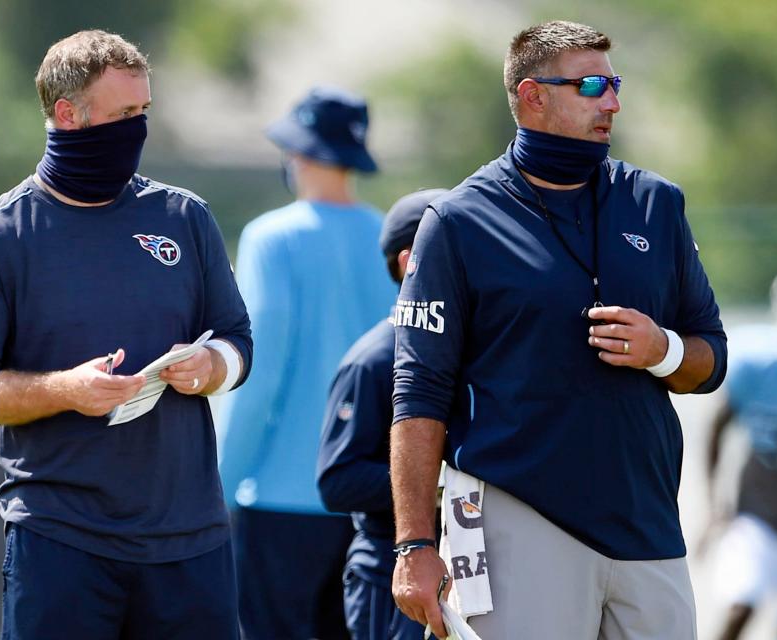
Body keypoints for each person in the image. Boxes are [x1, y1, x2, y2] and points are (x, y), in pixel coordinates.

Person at [388, 20, 728, 640]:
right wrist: (413, 544)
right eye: (593, 85)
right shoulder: (458, 220)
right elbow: (418, 391)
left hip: (647, 523)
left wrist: (663, 350)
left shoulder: (657, 203)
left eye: (615, 84)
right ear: (532, 96)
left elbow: (712, 357)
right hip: (515, 514)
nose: (613, 103)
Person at [0, 30, 251, 639]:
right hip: (60, 541)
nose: (137, 128)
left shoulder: (183, 216)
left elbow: (238, 337)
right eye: (123, 114)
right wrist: (64, 389)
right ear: (67, 115)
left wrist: (213, 365)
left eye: (144, 112)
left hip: (190, 540)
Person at [215, 86, 398, 640]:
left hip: (279, 496)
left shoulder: (271, 238)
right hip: (373, 498)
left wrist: (218, 484)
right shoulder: (391, 233)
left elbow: (261, 372)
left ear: (297, 155)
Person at [317, 188, 447, 640]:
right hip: (389, 577)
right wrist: (441, 481)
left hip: (462, 570)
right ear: (411, 260)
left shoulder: (475, 349)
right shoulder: (372, 360)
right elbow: (339, 480)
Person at [706, 259, 777, 640]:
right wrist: (715, 504)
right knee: (740, 605)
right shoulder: (756, 367)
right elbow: (717, 428)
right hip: (757, 517)